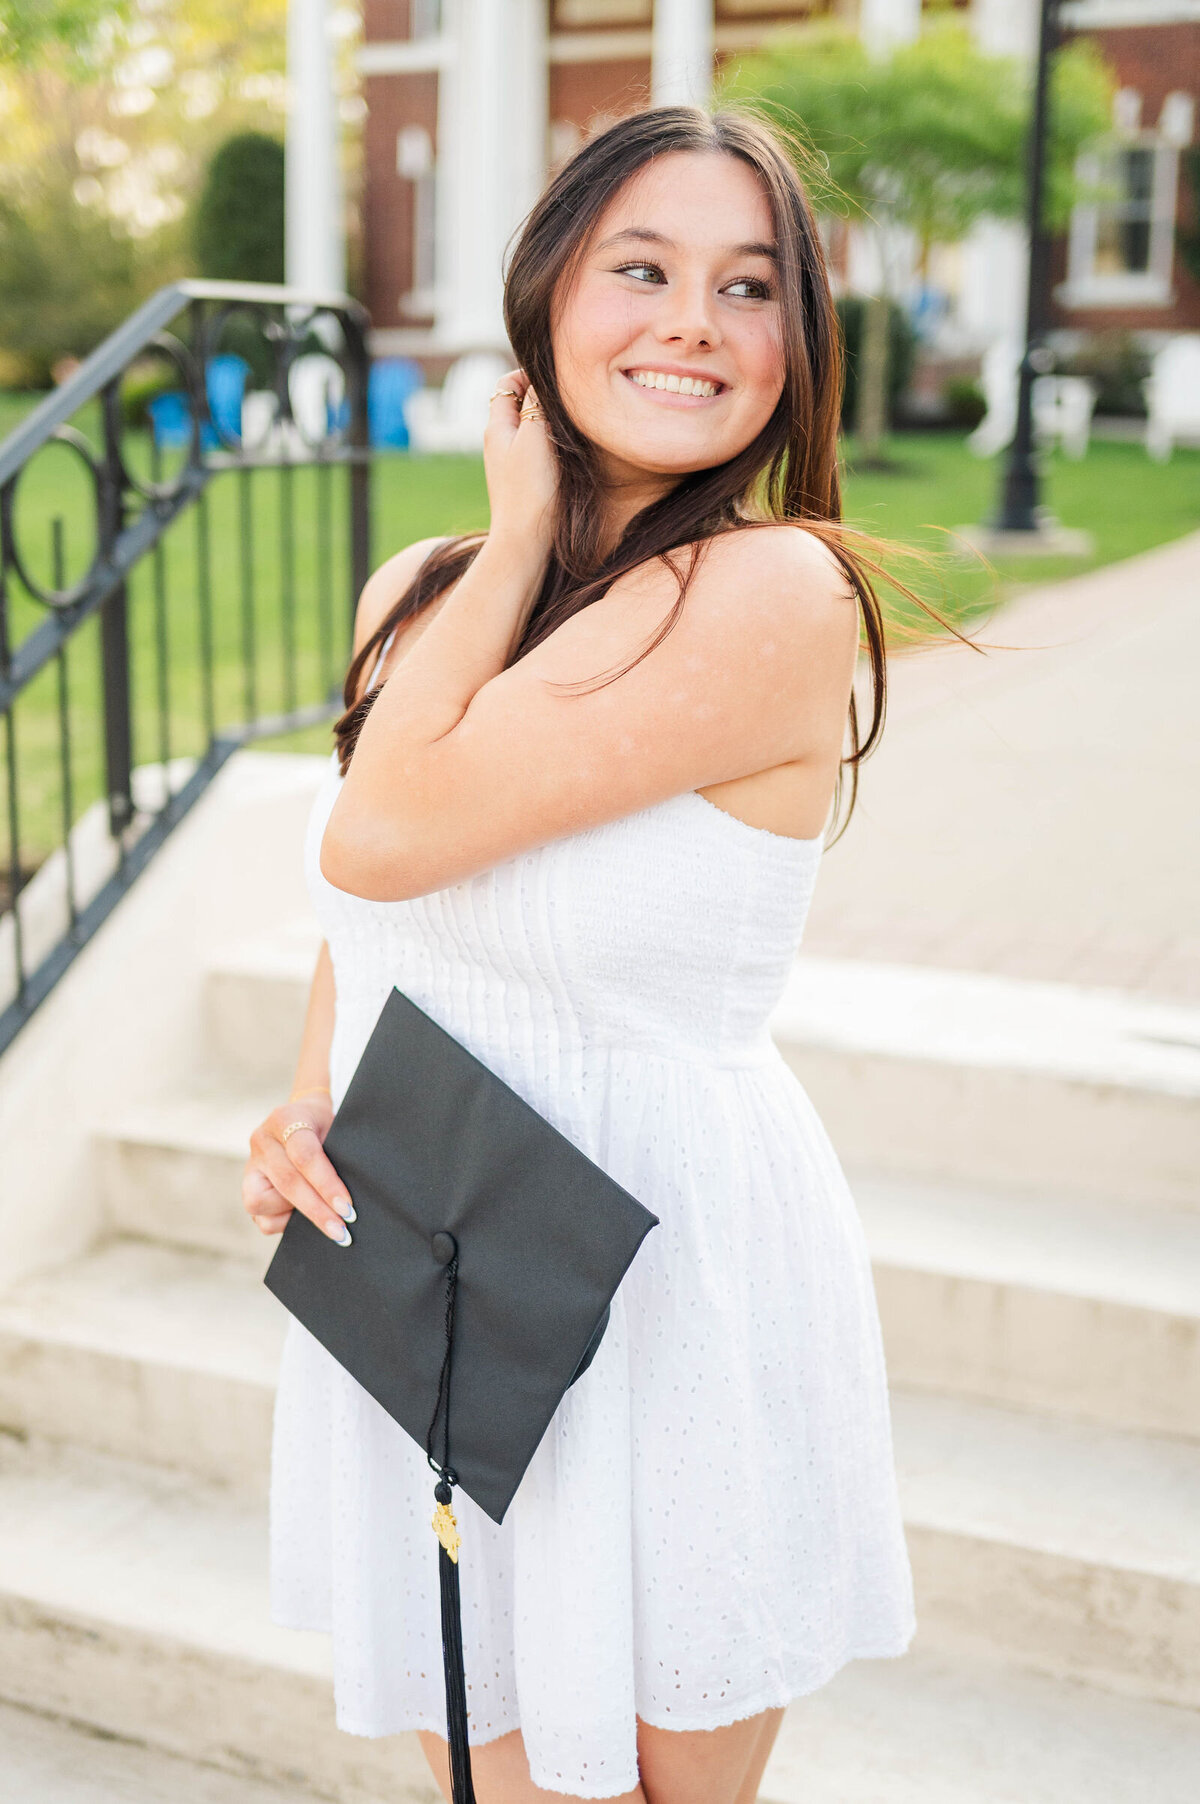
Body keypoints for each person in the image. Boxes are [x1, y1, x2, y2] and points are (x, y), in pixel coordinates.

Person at [243, 104, 941, 1804]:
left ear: (800, 343)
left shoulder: (772, 591)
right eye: (643, 267)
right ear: (549, 292)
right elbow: (381, 907)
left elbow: (383, 823)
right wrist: (303, 1092)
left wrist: (507, 517)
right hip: (441, 1240)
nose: (694, 321)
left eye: (750, 285)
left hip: (668, 1263)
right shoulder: (419, 592)